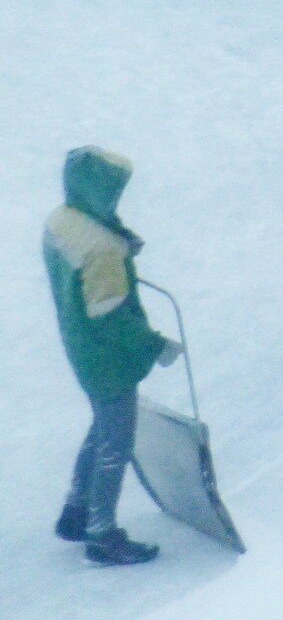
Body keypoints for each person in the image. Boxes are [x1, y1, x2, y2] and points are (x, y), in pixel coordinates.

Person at [44, 146, 184, 565]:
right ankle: (101, 535)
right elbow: (110, 317)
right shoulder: (101, 250)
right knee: (115, 444)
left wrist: (121, 244)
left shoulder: (62, 219)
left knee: (102, 426)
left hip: (80, 346)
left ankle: (76, 509)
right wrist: (156, 345)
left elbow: (91, 248)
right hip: (106, 356)